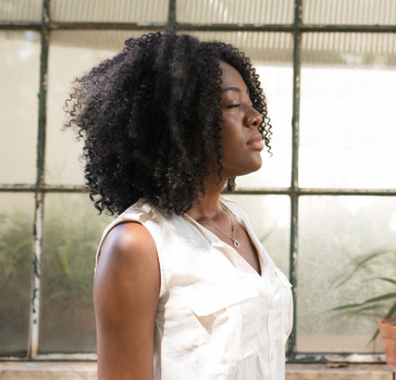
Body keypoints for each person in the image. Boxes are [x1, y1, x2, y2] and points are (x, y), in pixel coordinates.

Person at [67, 30, 293, 379]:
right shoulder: (137, 244)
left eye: (250, 101)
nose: (255, 116)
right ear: (183, 125)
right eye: (233, 104)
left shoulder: (237, 220)